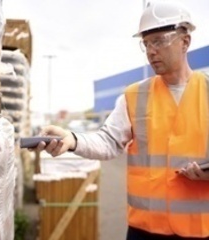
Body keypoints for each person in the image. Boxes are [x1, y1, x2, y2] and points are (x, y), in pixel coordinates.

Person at [34, 1, 209, 239]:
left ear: (185, 41)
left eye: (158, 41)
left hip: (200, 229)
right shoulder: (135, 96)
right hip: (144, 230)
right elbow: (108, 141)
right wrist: (72, 139)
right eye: (146, 43)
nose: (151, 51)